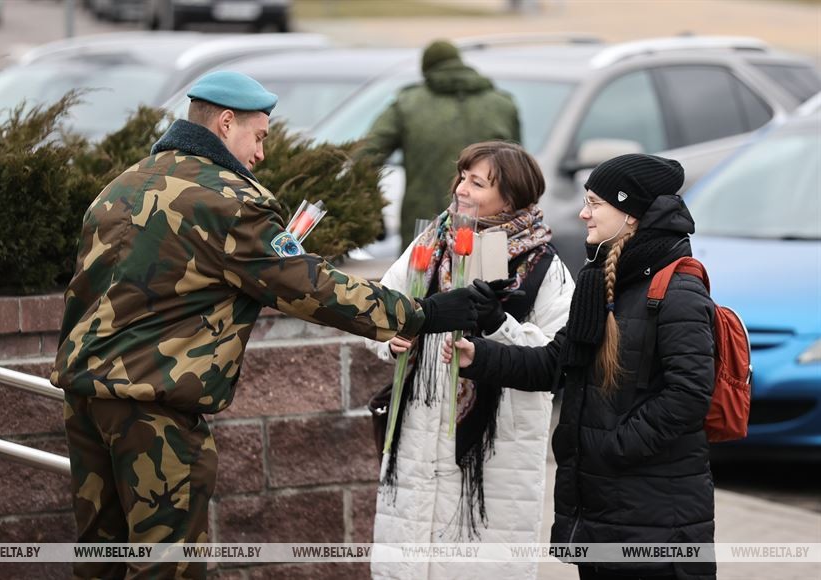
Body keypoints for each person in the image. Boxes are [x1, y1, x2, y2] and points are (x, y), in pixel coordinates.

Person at [51, 70, 483, 580]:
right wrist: (419, 313)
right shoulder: (229, 201)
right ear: (226, 122)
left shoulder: (119, 187)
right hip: (154, 413)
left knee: (100, 562)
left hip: (85, 399)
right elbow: (308, 285)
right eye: (258, 137)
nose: (260, 155)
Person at [446, 154, 717, 580]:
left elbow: (689, 395)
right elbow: (554, 365)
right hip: (604, 513)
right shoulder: (601, 282)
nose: (583, 212)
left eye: (595, 202)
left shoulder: (677, 290)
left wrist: (611, 447)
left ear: (630, 214)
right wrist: (478, 357)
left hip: (658, 522)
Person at [367, 141, 574, 580]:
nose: (461, 188)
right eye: (462, 177)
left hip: (498, 446)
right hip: (418, 435)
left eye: (477, 183)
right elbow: (384, 307)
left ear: (512, 197)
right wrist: (391, 338)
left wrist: (498, 326)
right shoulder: (432, 241)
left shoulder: (543, 267)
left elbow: (559, 356)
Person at [358, 39, 521, 249]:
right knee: (491, 280)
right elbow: (517, 172)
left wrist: (374, 214)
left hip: (425, 228)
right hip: (490, 228)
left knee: (420, 280)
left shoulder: (408, 104)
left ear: (426, 70)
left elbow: (365, 157)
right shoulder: (502, 104)